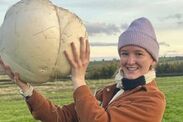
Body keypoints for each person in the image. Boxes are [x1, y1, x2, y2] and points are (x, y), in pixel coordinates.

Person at [0, 17, 166, 122]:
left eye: (139, 54)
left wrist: (79, 80)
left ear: (152, 59)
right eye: (124, 53)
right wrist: (26, 88)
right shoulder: (108, 91)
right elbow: (61, 117)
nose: (130, 61)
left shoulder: (152, 100)